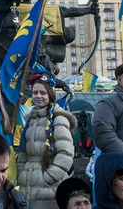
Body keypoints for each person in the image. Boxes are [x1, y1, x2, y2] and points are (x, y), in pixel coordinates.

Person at [17, 75, 77, 209]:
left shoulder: (59, 119)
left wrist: (48, 178)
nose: (38, 96)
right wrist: (21, 172)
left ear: (51, 94)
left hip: (49, 188)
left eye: (43, 93)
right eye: (35, 92)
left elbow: (65, 153)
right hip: (27, 184)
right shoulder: (30, 119)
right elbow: (23, 151)